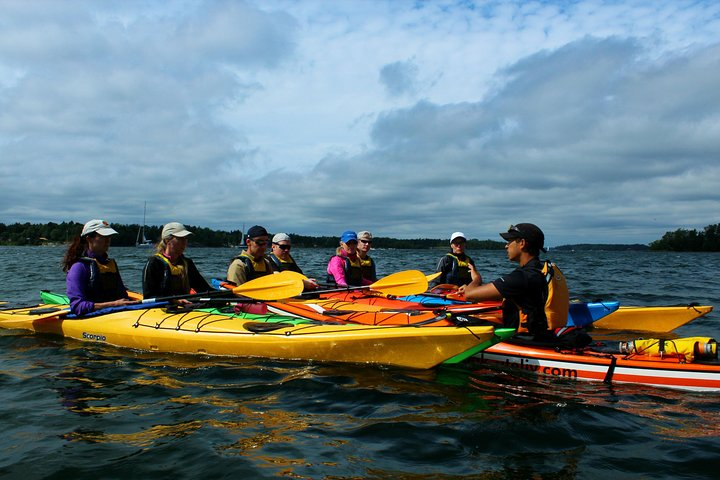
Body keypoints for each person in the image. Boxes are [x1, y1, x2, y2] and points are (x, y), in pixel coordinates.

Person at [461, 223, 553, 339]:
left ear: (522, 243)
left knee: (458, 320)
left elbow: (469, 295)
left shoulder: (523, 276)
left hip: (522, 338)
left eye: (509, 241)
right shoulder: (542, 270)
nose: (506, 246)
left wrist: (476, 279)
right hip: (542, 333)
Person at [63, 219, 135, 316]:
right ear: (89, 239)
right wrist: (113, 304)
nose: (108, 240)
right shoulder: (78, 267)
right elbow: (77, 306)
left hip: (116, 314)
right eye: (103, 236)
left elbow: (123, 296)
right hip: (92, 317)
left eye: (109, 236)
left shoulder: (110, 264)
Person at [142, 222, 212, 298]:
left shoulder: (187, 263)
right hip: (163, 307)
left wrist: (224, 295)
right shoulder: (154, 263)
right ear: (167, 241)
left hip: (185, 306)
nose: (184, 242)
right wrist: (173, 301)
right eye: (180, 238)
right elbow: (149, 296)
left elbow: (204, 289)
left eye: (186, 238)